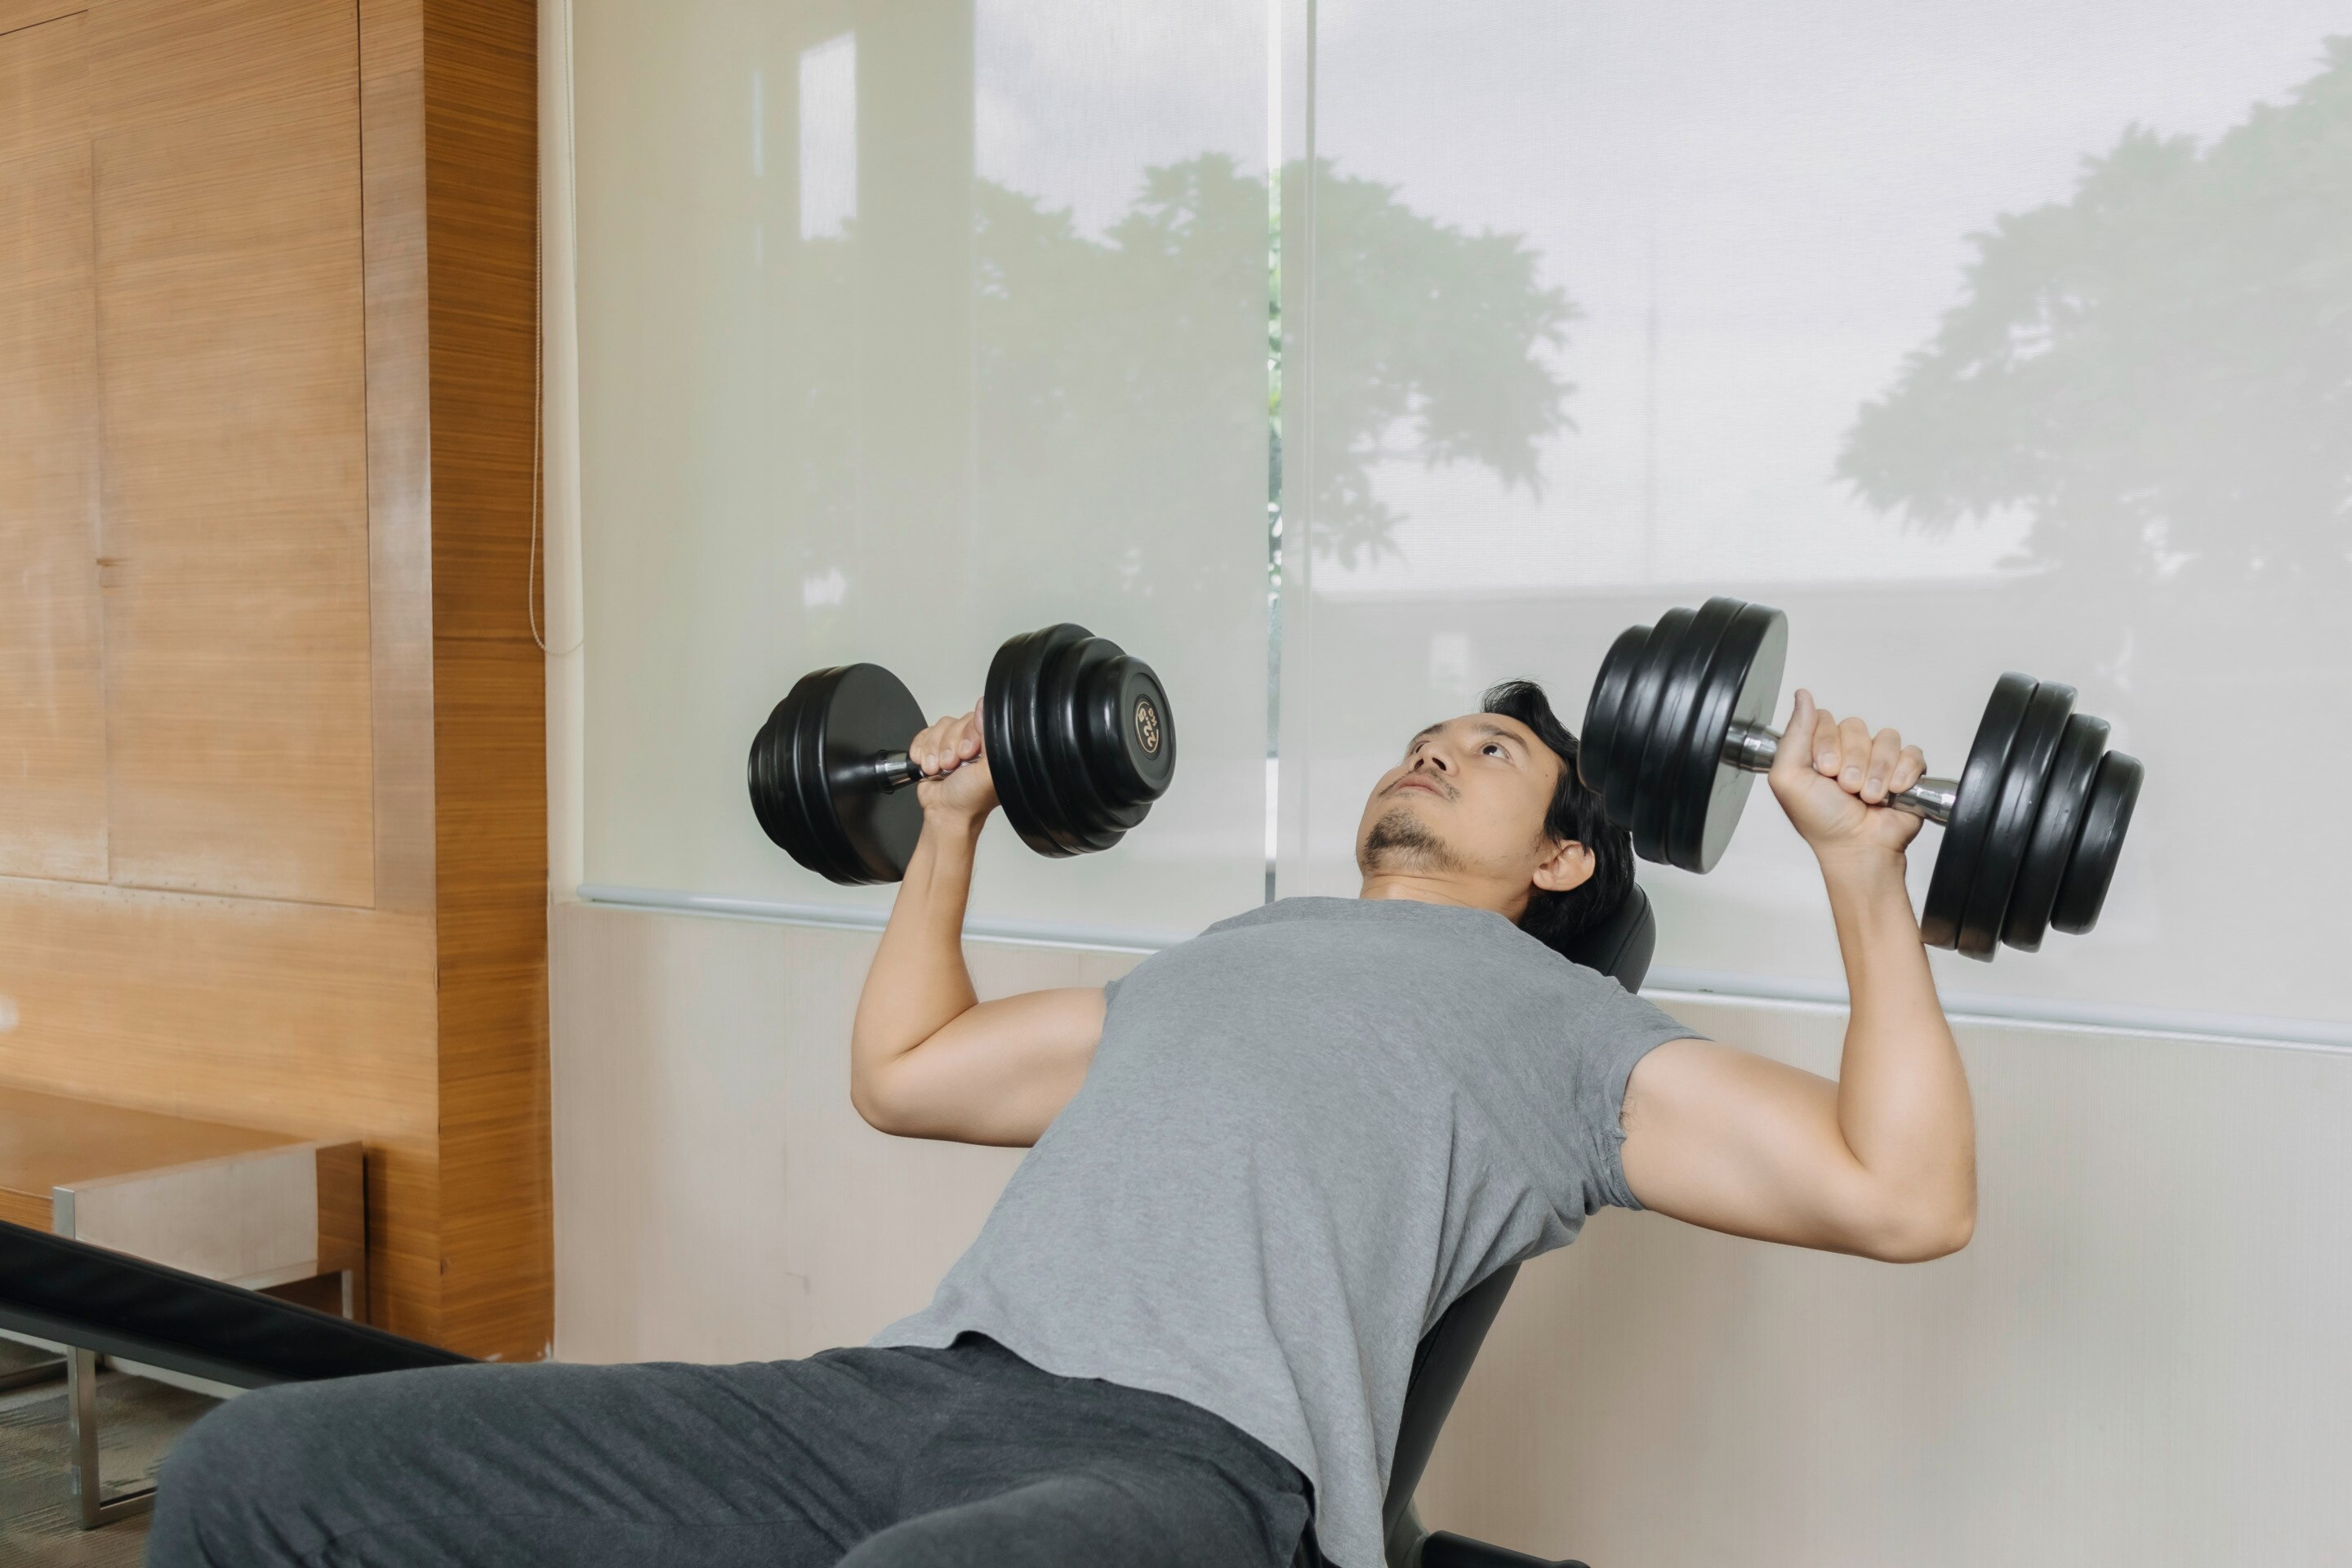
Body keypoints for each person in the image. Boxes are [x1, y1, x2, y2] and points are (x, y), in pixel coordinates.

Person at [147, 680, 1972, 1568]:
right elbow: (911, 1072)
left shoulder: (1567, 1033)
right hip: (894, 1394)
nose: (1431, 749)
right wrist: (943, 833)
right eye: (1423, 734)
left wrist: (1863, 875)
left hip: (1186, 1472)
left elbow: (1903, 1193)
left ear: (1563, 863)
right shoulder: (1227, 958)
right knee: (257, 1476)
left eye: (1488, 754)